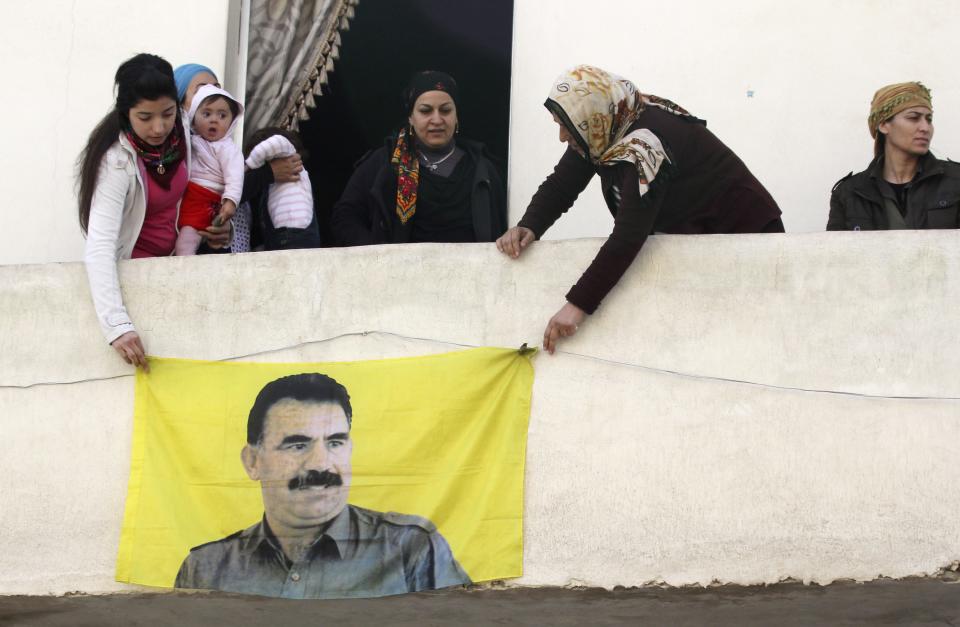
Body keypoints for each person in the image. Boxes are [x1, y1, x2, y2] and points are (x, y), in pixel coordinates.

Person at [496, 65, 783, 354]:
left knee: (748, 342)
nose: (561, 136)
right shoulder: (604, 126)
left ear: (593, 116)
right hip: (700, 238)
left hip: (747, 235)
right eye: (559, 123)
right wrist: (529, 226)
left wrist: (576, 306)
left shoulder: (645, 146)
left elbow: (628, 236)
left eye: (565, 126)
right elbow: (562, 185)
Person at [174, 373, 471, 599]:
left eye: (335, 443)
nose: (321, 464)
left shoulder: (412, 549)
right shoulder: (206, 569)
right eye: (298, 444)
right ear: (253, 461)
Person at [77, 53, 209, 370]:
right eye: (145, 117)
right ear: (126, 115)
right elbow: (99, 246)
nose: (159, 127)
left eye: (167, 113)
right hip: (135, 280)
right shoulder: (116, 162)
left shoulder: (183, 135)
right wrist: (117, 326)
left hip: (175, 269)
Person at [331, 71, 507, 245]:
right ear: (411, 118)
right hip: (398, 272)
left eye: (445, 110)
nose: (437, 120)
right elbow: (345, 216)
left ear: (456, 117)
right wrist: (378, 256)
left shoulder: (482, 170)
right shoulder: (385, 162)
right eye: (425, 111)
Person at [827, 82, 960, 231]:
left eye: (928, 119)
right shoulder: (850, 193)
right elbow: (836, 252)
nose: (925, 128)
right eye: (913, 118)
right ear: (883, 125)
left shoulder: (956, 180)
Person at [175, 84, 245, 255]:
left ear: (232, 121)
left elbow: (235, 176)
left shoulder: (228, 149)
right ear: (193, 118)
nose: (214, 120)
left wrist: (231, 201)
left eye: (222, 115)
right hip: (188, 195)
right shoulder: (191, 141)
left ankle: (184, 271)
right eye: (206, 114)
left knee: (186, 243)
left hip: (204, 199)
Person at [244, 127, 321, 250]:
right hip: (284, 238)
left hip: (295, 237)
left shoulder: (287, 150)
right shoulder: (272, 186)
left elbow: (276, 142)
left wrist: (249, 165)